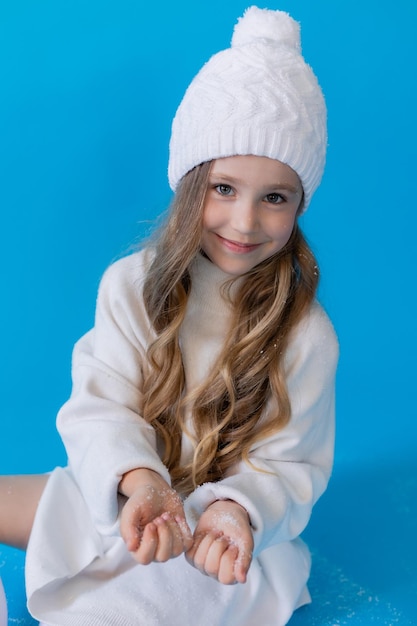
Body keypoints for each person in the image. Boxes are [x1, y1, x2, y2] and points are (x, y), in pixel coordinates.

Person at [0, 6, 338, 625]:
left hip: (217, 542)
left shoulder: (306, 335)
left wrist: (235, 511)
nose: (245, 222)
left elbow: (291, 466)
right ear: (189, 184)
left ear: (298, 204)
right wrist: (141, 484)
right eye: (225, 188)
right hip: (131, 501)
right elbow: (100, 408)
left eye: (275, 198)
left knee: (147, 601)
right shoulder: (130, 285)